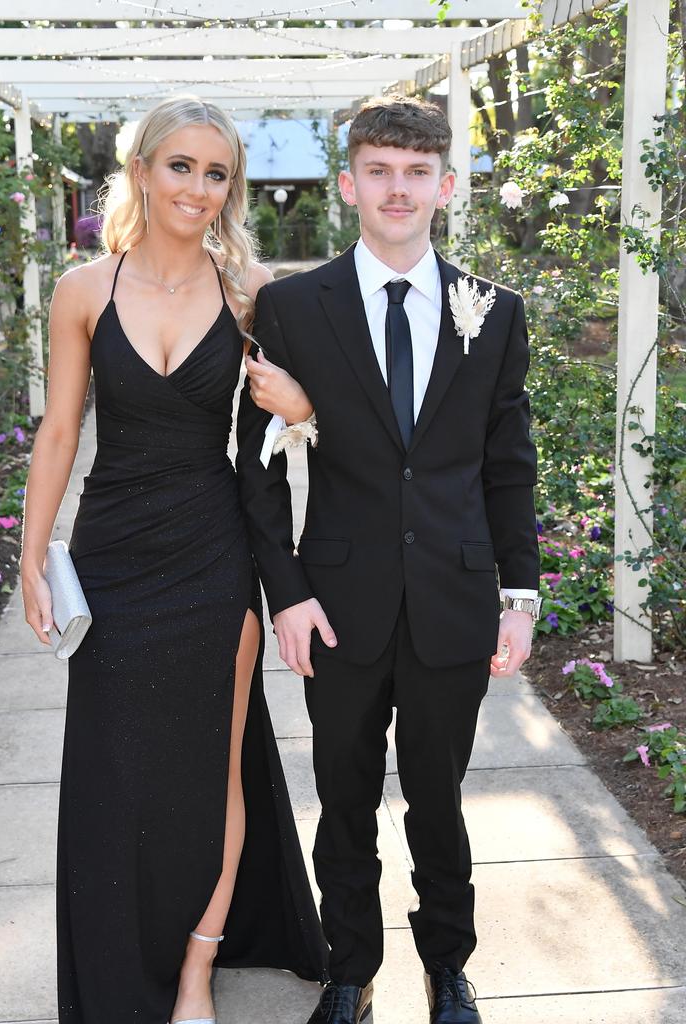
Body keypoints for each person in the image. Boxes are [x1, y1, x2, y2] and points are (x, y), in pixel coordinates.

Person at [20, 96, 328, 1024]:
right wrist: (36, 558)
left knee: (213, 766)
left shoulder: (252, 295)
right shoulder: (84, 290)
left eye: (217, 172)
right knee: (114, 768)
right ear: (142, 171)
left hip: (213, 553)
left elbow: (304, 422)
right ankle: (120, 961)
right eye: (181, 167)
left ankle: (198, 968)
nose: (198, 188)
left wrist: (302, 408)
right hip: (113, 555)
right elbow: (62, 430)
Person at [237, 97, 541, 1024]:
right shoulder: (290, 307)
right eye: (379, 171)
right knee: (344, 801)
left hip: (452, 596)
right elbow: (255, 473)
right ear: (348, 185)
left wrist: (519, 595)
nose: (397, 189)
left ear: (445, 187)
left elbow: (507, 465)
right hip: (338, 602)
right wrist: (286, 594)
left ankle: (448, 969)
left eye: (416, 174)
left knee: (440, 805)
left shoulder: (493, 312)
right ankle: (348, 971)